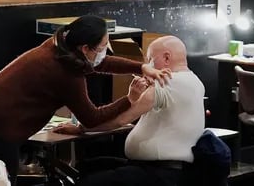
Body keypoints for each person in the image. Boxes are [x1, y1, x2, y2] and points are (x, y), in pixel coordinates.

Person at [0, 15, 171, 185]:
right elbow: (91, 118)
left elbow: (99, 63)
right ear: (85, 48)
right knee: (1, 180)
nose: (105, 50)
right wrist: (129, 99)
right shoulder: (65, 72)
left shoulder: (62, 45)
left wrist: (141, 67)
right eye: (101, 46)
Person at [61, 35, 207, 186]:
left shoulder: (166, 81)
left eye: (150, 60)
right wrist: (134, 97)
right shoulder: (195, 82)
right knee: (87, 166)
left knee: (88, 181)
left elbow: (122, 119)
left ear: (167, 58)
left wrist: (81, 129)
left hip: (157, 173)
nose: (148, 66)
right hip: (160, 168)